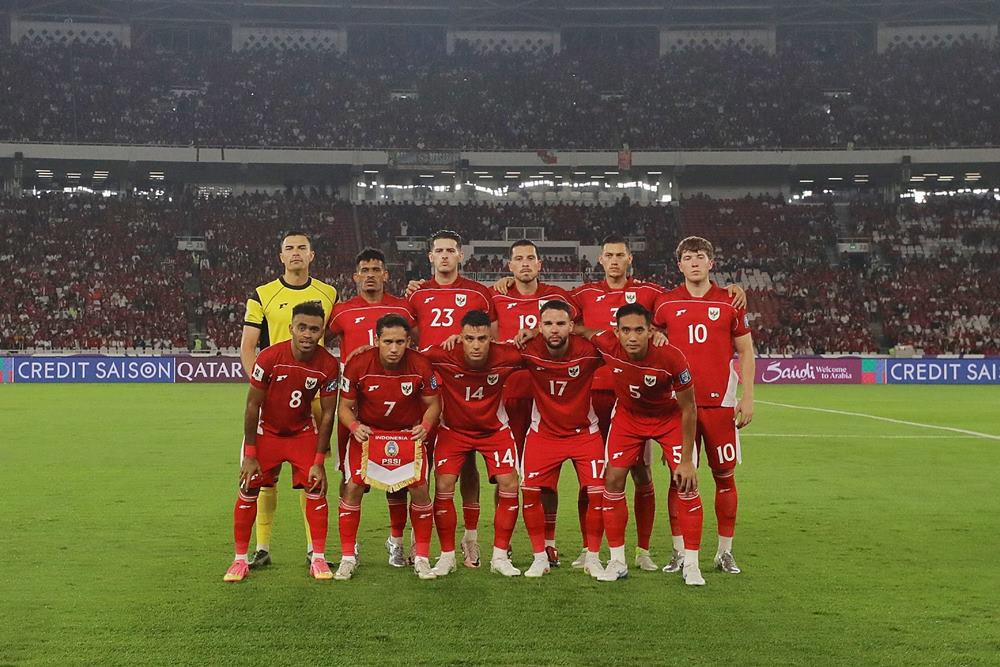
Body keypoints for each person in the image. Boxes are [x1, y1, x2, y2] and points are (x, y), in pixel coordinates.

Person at [653, 236, 755, 575]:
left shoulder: (730, 301)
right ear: (679, 265)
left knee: (725, 477)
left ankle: (725, 552)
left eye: (700, 256)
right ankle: (680, 552)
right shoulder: (665, 304)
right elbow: (649, 338)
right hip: (679, 408)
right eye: (688, 257)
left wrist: (748, 396)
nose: (694, 262)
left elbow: (746, 350)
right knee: (678, 479)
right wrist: (656, 336)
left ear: (711, 263)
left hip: (720, 405)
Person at [586, 303, 704, 585]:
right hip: (628, 417)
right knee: (612, 480)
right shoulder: (607, 344)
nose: (632, 337)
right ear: (616, 332)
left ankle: (691, 564)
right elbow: (580, 330)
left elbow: (689, 408)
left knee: (686, 483)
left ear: (650, 331)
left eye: (639, 330)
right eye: (626, 330)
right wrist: (534, 332)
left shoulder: (671, 357)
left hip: (668, 418)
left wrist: (687, 460)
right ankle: (617, 561)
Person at [224, 301, 340, 582]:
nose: (307, 334)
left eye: (314, 329)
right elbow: (252, 406)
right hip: (267, 433)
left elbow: (327, 415)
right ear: (291, 328)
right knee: (248, 487)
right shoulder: (269, 358)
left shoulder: (328, 364)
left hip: (302, 433)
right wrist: (250, 454)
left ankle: (319, 558)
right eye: (302, 327)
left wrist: (319, 460)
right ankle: (240, 560)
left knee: (316, 487)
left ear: (321, 332)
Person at [406, 230, 496, 568]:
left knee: (467, 462)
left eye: (450, 250)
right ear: (430, 256)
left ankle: (470, 539)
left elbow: (492, 338)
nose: (445, 256)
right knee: (421, 462)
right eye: (439, 251)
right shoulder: (417, 294)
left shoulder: (479, 293)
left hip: (463, 391)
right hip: (426, 390)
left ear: (461, 255)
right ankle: (419, 537)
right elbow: (411, 339)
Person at [490, 240, 579, 567]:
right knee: (506, 475)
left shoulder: (559, 297)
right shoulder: (496, 297)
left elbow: (575, 332)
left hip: (548, 398)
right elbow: (490, 340)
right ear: (510, 266)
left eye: (531, 258)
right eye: (519, 259)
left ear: (540, 264)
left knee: (546, 477)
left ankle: (549, 543)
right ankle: (505, 543)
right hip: (509, 396)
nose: (525, 263)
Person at [327, 247, 417, 567]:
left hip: (396, 403)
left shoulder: (403, 307)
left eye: (376, 269)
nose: (370, 275)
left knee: (398, 474)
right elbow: (320, 345)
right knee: (349, 475)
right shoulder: (341, 311)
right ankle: (349, 546)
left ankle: (396, 541)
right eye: (364, 270)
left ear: (385, 275)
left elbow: (415, 346)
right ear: (355, 276)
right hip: (354, 404)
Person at [336, 314, 441, 580]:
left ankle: (421, 558)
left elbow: (433, 404)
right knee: (353, 487)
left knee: (419, 488)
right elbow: (344, 407)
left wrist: (426, 425)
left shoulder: (420, 364)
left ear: (408, 342)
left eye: (400, 342)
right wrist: (354, 427)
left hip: (406, 435)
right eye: (388, 342)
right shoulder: (358, 363)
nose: (394, 348)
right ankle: (348, 557)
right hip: (368, 435)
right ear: (377, 340)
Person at [422, 310, 525, 577]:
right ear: (460, 337)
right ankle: (447, 557)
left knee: (509, 483)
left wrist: (533, 333)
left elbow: (541, 353)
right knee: (443, 484)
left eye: (482, 338)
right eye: (469, 338)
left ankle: (500, 557)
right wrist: (365, 350)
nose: (476, 345)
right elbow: (409, 357)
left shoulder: (507, 355)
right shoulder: (443, 354)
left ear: (491, 338)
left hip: (494, 431)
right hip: (454, 430)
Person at [517, 300, 606, 578]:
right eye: (548, 324)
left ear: (571, 326)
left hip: (584, 433)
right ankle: (539, 557)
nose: (554, 329)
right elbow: (491, 353)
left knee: (597, 493)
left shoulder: (588, 351)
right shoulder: (528, 349)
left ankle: (593, 558)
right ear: (539, 327)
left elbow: (619, 344)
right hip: (544, 433)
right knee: (530, 491)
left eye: (560, 324)